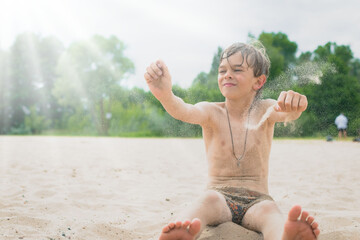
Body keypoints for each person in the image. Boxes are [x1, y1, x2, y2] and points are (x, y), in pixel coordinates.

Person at [144, 42, 320, 240]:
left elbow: (287, 114)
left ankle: (284, 237)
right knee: (206, 200)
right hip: (219, 196)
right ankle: (182, 232)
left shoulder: (266, 109)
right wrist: (165, 94)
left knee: (271, 213)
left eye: (237, 70)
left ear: (258, 82)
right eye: (222, 70)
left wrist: (296, 104)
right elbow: (183, 110)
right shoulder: (210, 111)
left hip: (258, 200)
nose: (227, 74)